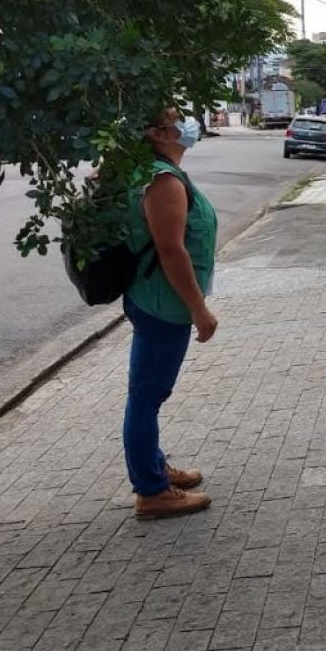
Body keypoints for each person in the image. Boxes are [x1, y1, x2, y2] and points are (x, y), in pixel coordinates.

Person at [123, 107, 221, 519]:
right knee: (147, 396)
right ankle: (152, 490)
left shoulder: (163, 171)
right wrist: (200, 310)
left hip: (156, 299)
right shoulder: (162, 180)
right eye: (177, 118)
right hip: (164, 304)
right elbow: (171, 250)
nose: (187, 123)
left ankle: (155, 467)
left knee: (147, 392)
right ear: (159, 132)